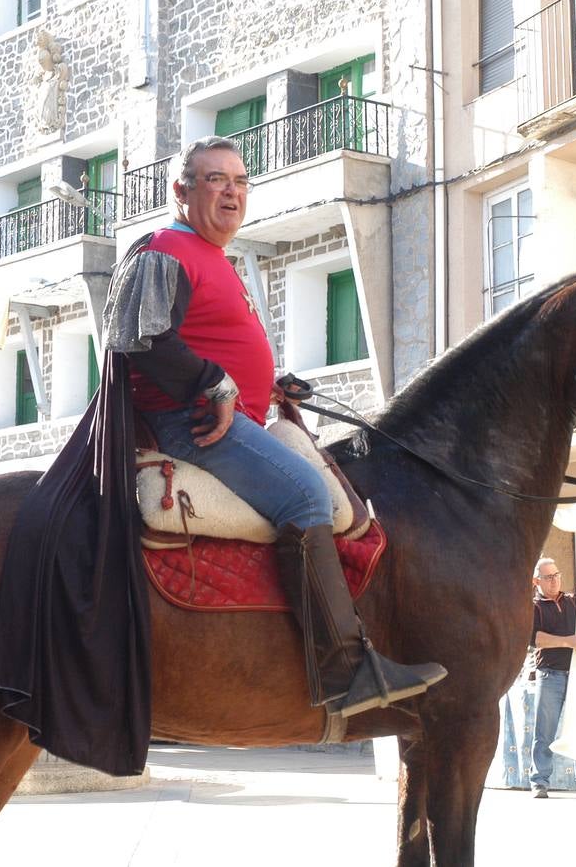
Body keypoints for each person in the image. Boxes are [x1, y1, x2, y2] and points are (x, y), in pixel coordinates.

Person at [101, 135, 446, 719]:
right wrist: (216, 383)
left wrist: (266, 383)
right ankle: (344, 669)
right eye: (215, 180)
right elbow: (142, 339)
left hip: (226, 412)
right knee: (307, 492)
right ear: (180, 191)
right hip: (190, 425)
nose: (231, 192)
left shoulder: (214, 259)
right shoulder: (166, 248)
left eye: (239, 182)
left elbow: (206, 344)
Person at [529, 557, 576, 798]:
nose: (554, 580)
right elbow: (535, 638)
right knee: (544, 732)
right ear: (536, 581)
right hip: (550, 674)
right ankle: (539, 782)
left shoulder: (571, 600)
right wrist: (569, 642)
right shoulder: (533, 607)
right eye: (548, 577)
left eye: (557, 575)